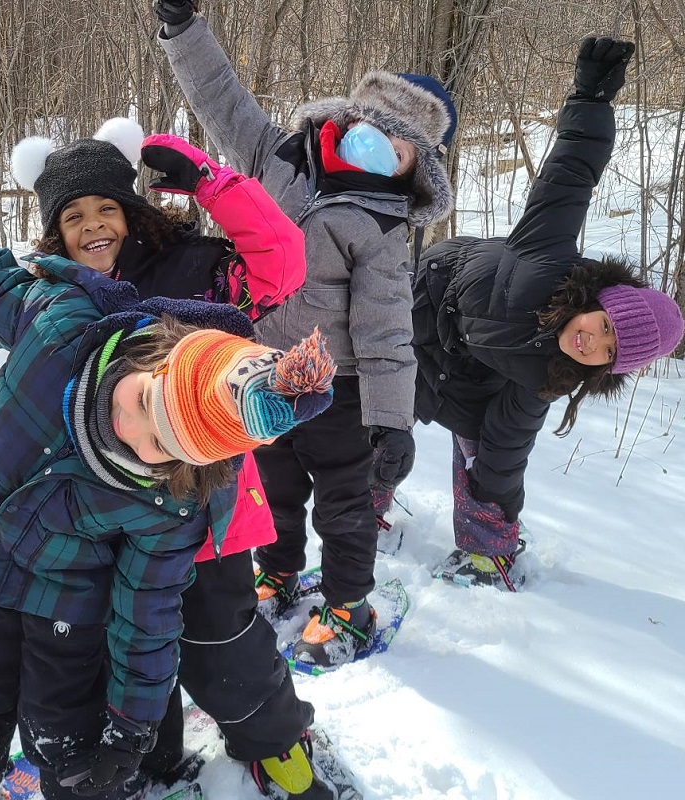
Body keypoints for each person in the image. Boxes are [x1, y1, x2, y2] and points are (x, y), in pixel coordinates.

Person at [0, 124, 337, 800]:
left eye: (107, 209)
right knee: (25, 682)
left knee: (216, 654)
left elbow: (278, 260)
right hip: (32, 555)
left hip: (182, 518)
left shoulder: (194, 272)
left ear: (134, 212)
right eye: (75, 216)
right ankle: (133, 763)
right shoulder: (60, 312)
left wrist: (208, 178)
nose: (140, 433)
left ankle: (265, 745)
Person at [153, 0, 458, 667]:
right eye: (372, 131)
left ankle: (348, 603)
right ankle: (279, 572)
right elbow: (220, 100)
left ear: (412, 166)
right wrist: (183, 29)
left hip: (338, 391)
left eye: (398, 146)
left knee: (345, 507)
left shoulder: (380, 226)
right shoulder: (279, 159)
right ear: (347, 122)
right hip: (260, 372)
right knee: (273, 491)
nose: (377, 148)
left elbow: (386, 331)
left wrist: (393, 420)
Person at [410, 37, 683, 589]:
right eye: (603, 326)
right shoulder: (547, 255)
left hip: (474, 360)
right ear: (596, 302)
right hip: (428, 295)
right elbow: (570, 176)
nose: (592, 343)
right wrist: (591, 97)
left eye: (609, 354)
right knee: (383, 415)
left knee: (487, 449)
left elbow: (510, 442)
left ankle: (487, 546)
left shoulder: (553, 377)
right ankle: (367, 504)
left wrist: (498, 502)